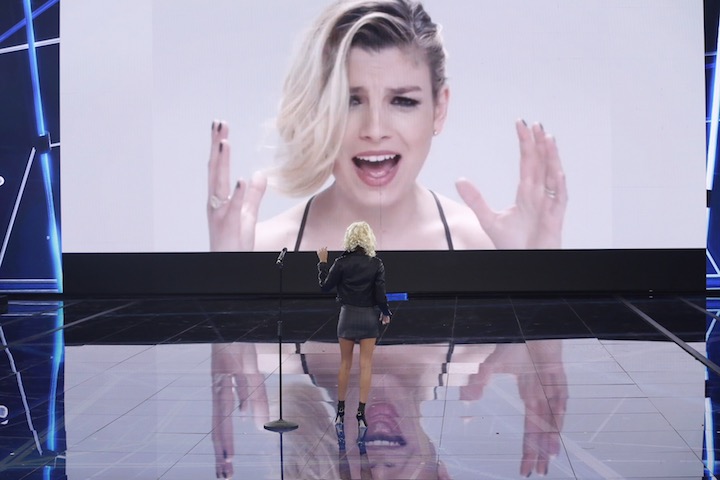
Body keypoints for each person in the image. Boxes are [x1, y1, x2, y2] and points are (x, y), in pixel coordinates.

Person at [206, 0, 567, 252]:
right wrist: (228, 287)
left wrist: (536, 275)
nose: (375, 129)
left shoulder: (488, 248)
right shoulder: (262, 252)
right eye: (350, 101)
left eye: (403, 101)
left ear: (439, 109)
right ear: (318, 109)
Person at [316, 221, 392, 447]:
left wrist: (322, 263)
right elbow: (380, 293)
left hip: (347, 316)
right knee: (366, 365)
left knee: (345, 365)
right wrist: (385, 312)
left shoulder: (340, 263)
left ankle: (340, 412)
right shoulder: (376, 264)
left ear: (349, 239)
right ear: (369, 239)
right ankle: (361, 413)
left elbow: (325, 286)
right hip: (368, 317)